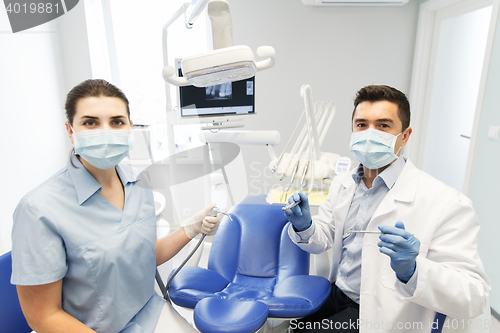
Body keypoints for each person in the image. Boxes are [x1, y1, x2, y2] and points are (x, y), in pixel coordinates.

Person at [11, 79, 220, 333]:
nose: (105, 132)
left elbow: (141, 257)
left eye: (116, 122)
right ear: (70, 130)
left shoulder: (139, 182)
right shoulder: (40, 209)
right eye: (90, 123)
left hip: (148, 311)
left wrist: (190, 229)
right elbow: (43, 316)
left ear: (130, 127)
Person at [284, 85, 490, 333]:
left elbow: (474, 296)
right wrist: (304, 226)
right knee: (291, 327)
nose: (370, 134)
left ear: (404, 136)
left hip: (383, 314)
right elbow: (324, 238)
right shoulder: (343, 184)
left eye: (383, 125)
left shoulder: (448, 204)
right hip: (337, 293)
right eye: (362, 125)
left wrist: (413, 270)